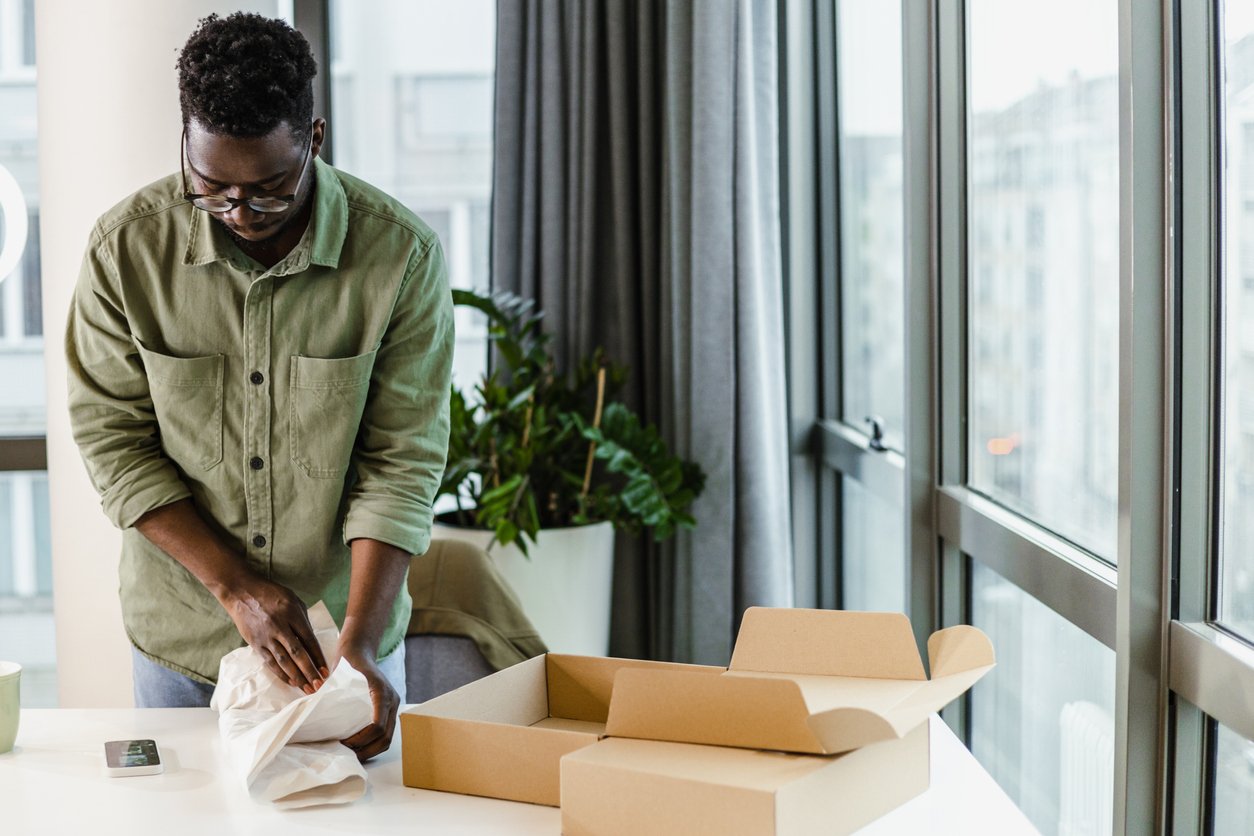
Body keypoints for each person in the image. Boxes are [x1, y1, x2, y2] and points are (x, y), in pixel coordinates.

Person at [64, 12, 453, 762]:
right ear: (184, 138)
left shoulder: (401, 255)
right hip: (181, 646)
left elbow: (401, 462)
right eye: (212, 189)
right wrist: (237, 588)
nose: (240, 214)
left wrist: (361, 650)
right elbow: (114, 443)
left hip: (346, 641)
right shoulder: (124, 252)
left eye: (270, 190)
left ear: (313, 136)